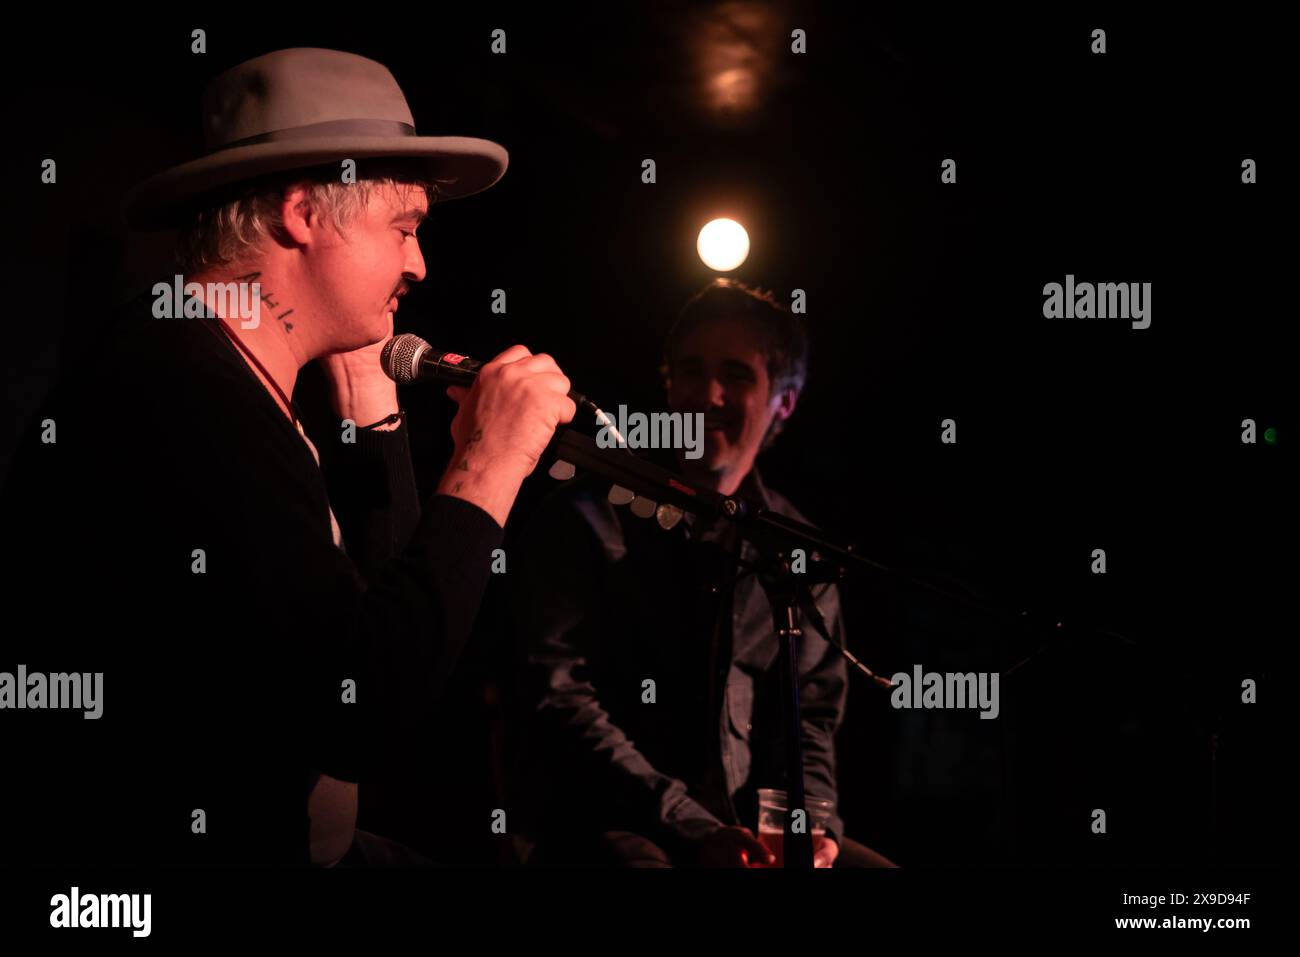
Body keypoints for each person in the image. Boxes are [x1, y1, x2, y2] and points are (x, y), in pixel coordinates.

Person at [0, 47, 574, 867]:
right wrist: (489, 462)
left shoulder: (223, 369)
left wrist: (374, 416)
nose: (419, 264)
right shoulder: (184, 390)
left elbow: (377, 623)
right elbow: (363, 710)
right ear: (304, 213)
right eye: (404, 230)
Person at [508, 279, 896, 867]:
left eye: (736, 375)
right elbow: (554, 694)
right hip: (613, 822)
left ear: (784, 401)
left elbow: (812, 712)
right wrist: (691, 826)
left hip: (740, 833)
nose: (707, 394)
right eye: (690, 370)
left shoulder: (796, 547)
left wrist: (813, 827)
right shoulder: (587, 517)